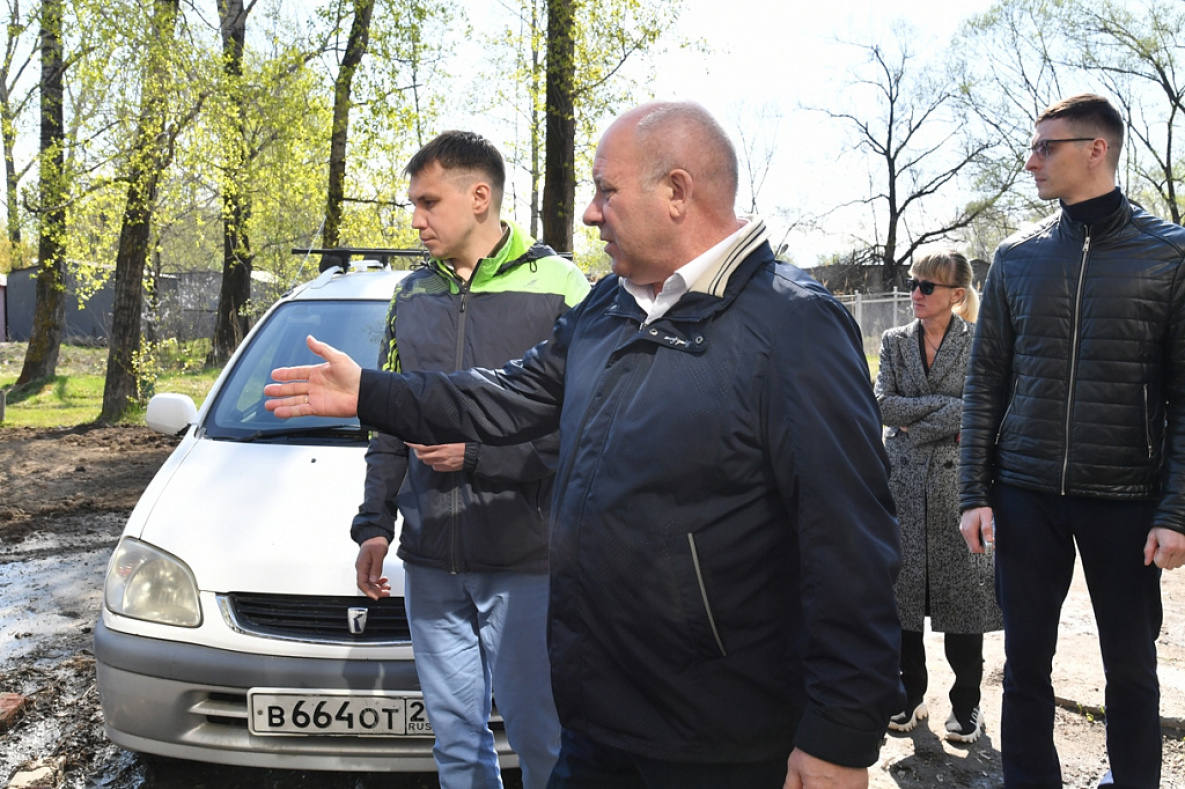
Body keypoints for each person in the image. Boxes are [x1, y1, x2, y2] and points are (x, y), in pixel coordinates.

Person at [265, 101, 903, 789]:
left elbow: (849, 543)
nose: (590, 214)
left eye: (606, 190)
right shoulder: (609, 306)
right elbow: (505, 395)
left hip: (720, 742)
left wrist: (839, 735)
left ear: (677, 192)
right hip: (597, 726)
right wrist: (371, 392)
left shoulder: (793, 325)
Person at [350, 130, 590, 789]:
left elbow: (588, 432)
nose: (415, 218)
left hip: (527, 560)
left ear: (478, 196)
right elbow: (391, 417)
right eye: (412, 204)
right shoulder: (410, 296)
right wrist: (374, 522)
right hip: (430, 562)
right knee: (456, 745)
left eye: (428, 202)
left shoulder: (563, 286)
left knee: (541, 738)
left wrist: (479, 455)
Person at [958, 94, 1185, 789]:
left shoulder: (1170, 255)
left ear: (1097, 149)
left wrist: (1174, 509)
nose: (1030, 160)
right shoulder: (1015, 256)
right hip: (1023, 495)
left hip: (1124, 497)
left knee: (1130, 666)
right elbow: (984, 382)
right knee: (1024, 661)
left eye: (1045, 147)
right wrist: (972, 492)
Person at [875, 250, 1003, 743]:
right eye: (914, 283)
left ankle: (967, 705)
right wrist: (947, 412)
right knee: (903, 599)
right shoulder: (893, 341)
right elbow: (883, 404)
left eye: (928, 286)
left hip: (961, 486)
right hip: (902, 487)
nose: (917, 293)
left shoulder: (980, 342)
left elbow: (983, 408)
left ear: (956, 294)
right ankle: (909, 696)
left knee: (963, 601)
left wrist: (916, 421)